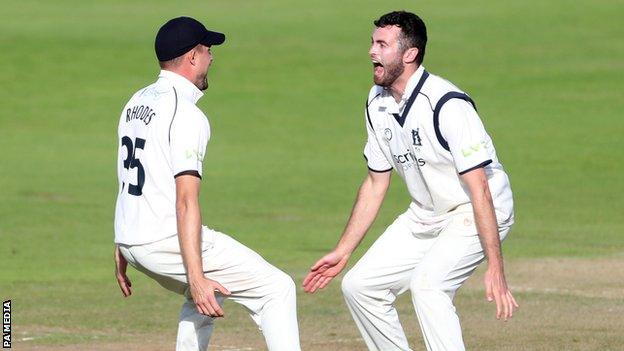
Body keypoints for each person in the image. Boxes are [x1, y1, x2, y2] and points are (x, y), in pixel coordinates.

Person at [303, 11, 518, 351]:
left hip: (474, 209)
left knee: (428, 286)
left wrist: (495, 267)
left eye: (382, 45)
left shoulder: (447, 104)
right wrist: (343, 251)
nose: (372, 52)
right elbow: (376, 183)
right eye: (373, 43)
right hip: (428, 212)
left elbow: (479, 189)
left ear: (409, 54)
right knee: (359, 286)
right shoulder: (377, 104)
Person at [113, 17, 301, 351]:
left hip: (133, 240)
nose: (212, 57)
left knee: (210, 291)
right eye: (208, 49)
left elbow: (132, 178)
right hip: (162, 239)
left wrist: (123, 243)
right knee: (277, 288)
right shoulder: (185, 114)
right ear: (192, 57)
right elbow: (186, 201)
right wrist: (196, 277)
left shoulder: (136, 102)